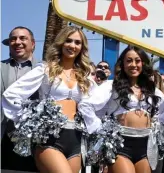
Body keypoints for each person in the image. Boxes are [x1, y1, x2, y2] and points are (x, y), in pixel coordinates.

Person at [2, 26, 95, 173]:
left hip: (75, 138)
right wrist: (26, 121)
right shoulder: (45, 69)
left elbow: (94, 104)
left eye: (77, 42)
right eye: (68, 41)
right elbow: (12, 94)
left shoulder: (85, 75)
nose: (72, 45)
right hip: (49, 138)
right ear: (61, 43)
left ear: (82, 47)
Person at [79, 46, 164, 173]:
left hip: (146, 145)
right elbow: (85, 105)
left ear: (143, 64)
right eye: (128, 61)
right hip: (121, 144)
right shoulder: (111, 86)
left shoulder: (150, 88)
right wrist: (99, 128)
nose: (133, 64)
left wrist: (158, 121)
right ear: (122, 64)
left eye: (137, 61)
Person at [1, 26, 38, 172]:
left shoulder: (45, 69)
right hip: (3, 137)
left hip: (34, 141)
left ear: (33, 43)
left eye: (23, 38)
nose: (17, 42)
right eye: (13, 39)